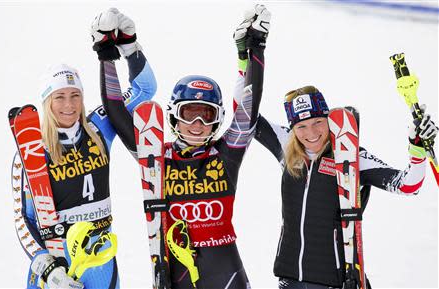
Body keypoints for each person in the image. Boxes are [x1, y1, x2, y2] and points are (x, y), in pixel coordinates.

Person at [96, 5, 271, 288]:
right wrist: (107, 53)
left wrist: (256, 48)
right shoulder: (156, 156)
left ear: (217, 119)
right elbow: (116, 111)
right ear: (175, 114)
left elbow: (248, 111)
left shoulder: (226, 155)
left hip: (226, 274)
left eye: (208, 114)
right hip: (175, 275)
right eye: (190, 113)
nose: (198, 123)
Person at [10, 8, 156, 289]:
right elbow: (23, 218)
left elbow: (144, 90)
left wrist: (129, 45)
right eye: (59, 97)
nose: (69, 105)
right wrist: (46, 265)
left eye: (75, 95)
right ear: (46, 102)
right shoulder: (31, 147)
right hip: (56, 263)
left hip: (100, 258)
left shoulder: (99, 126)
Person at [253, 85, 438, 289]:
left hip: (337, 280)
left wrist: (416, 145)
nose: (311, 132)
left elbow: (408, 185)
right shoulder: (286, 145)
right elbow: (246, 114)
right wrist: (249, 60)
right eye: (301, 126)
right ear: (293, 128)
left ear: (329, 120)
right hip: (289, 279)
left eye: (318, 122)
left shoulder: (350, 156)